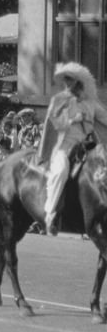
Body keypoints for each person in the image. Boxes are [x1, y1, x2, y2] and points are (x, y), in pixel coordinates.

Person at [38, 62, 107, 235]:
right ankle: (50, 214)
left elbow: (105, 118)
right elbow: (53, 122)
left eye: (70, 79)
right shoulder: (59, 99)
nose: (67, 83)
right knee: (61, 171)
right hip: (65, 145)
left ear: (78, 81)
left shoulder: (91, 102)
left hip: (88, 145)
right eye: (65, 80)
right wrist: (72, 120)